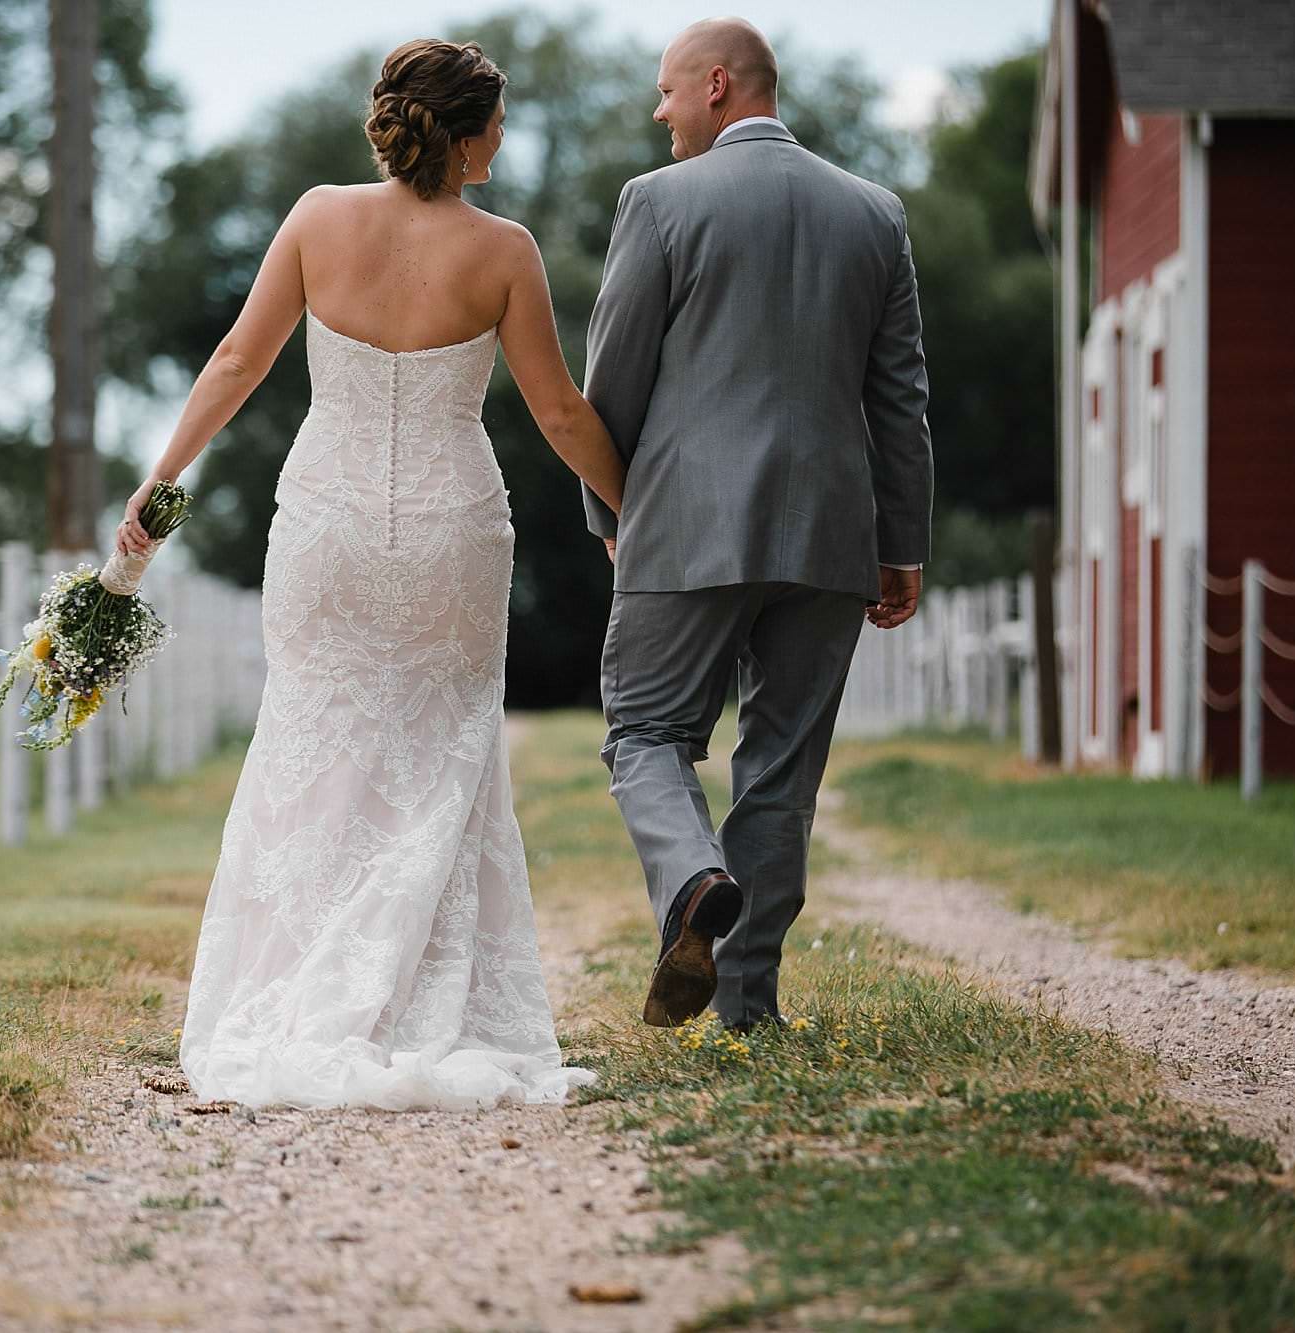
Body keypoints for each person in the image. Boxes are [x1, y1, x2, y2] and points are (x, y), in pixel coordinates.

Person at [115, 39, 625, 1110]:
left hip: (328, 526)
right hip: (452, 532)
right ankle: (408, 998)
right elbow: (559, 413)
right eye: (499, 122)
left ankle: (299, 990)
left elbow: (236, 362)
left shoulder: (315, 217)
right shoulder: (505, 251)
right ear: (469, 131)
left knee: (314, 733)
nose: (503, 140)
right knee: (441, 749)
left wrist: (159, 483)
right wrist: (637, 512)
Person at [580, 18, 934, 1032]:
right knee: (781, 767)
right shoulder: (875, 212)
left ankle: (692, 881)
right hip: (830, 535)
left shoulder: (656, 203)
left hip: (684, 526)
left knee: (646, 731)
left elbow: (614, 377)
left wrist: (612, 510)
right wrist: (898, 544)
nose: (659, 112)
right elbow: (899, 398)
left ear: (719, 87)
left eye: (667, 92)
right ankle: (747, 1004)